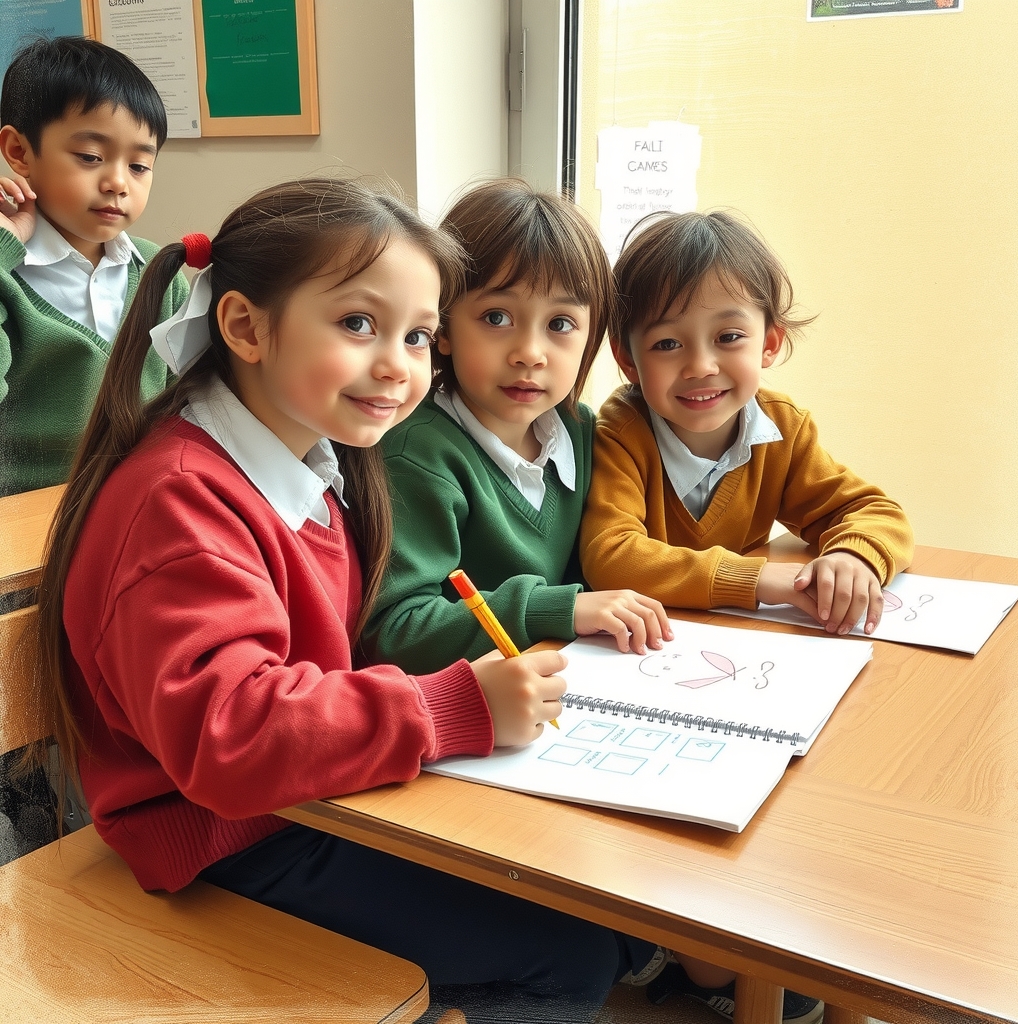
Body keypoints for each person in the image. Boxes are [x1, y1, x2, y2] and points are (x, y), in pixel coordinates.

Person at [35, 177, 670, 1024]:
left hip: (312, 798)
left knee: (608, 908)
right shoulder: (179, 501)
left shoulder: (310, 464)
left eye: (417, 337)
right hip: (229, 841)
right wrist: (451, 709)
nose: (398, 368)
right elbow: (230, 734)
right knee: (573, 953)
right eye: (359, 325)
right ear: (245, 326)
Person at [363, 178, 671, 677]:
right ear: (443, 327)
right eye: (497, 316)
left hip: (565, 681)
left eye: (560, 324)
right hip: (459, 716)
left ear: (592, 337)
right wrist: (555, 608)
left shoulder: (580, 431)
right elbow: (395, 632)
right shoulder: (415, 452)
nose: (530, 352)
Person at [582, 210, 914, 639]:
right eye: (667, 344)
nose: (701, 366)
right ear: (628, 360)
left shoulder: (782, 428)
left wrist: (855, 557)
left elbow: (874, 511)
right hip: (643, 647)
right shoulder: (619, 434)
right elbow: (612, 558)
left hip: (737, 636)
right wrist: (757, 580)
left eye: (728, 337)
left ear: (769, 343)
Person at [0, 36, 186, 496]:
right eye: (90, 157)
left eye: (140, 165)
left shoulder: (161, 275)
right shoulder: (8, 272)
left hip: (134, 507)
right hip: (23, 520)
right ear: (19, 152)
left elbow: (196, 402)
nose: (118, 182)